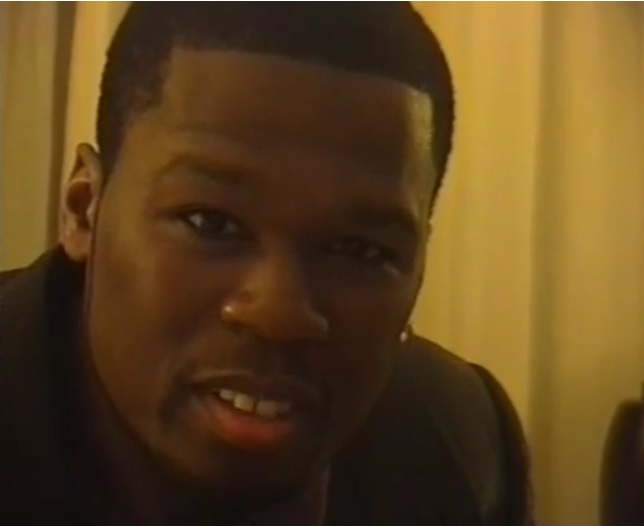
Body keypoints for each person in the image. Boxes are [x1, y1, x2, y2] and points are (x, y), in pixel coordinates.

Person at [0, 3, 531, 525]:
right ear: (84, 210)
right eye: (210, 222)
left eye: (362, 251)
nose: (278, 314)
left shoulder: (453, 447)